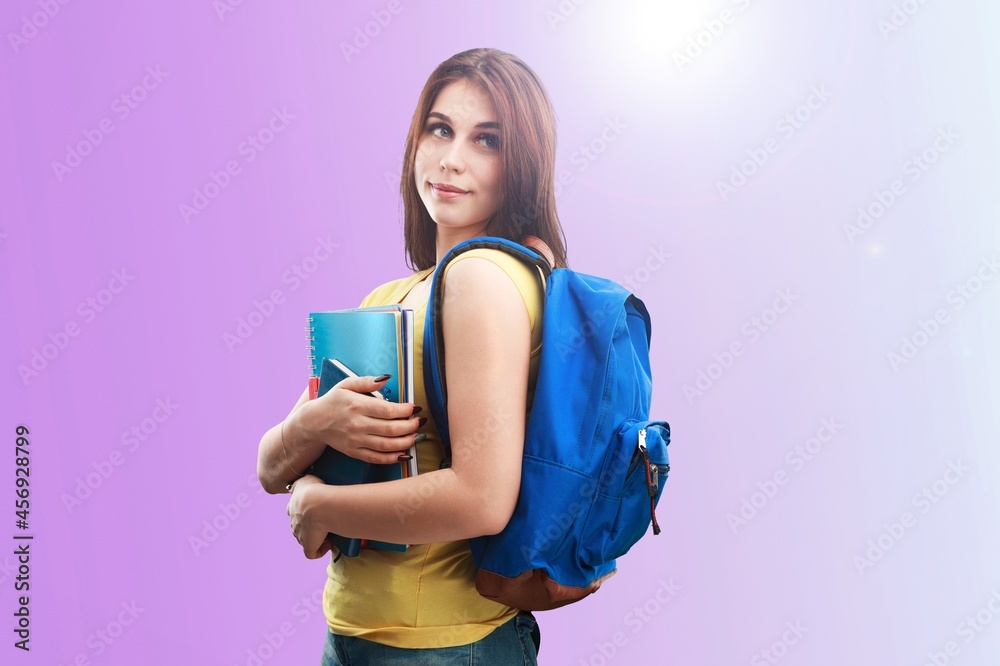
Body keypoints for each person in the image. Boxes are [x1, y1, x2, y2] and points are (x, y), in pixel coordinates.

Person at [256, 47, 568, 665]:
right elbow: (269, 468)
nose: (451, 159)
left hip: (445, 644)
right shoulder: (390, 297)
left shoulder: (483, 279)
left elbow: (482, 499)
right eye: (440, 128)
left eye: (487, 140)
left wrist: (318, 503)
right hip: (356, 635)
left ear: (521, 163)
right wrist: (312, 424)